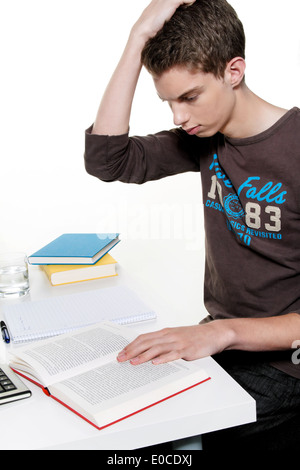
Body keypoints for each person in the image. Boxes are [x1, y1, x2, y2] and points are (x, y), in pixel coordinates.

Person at [84, 0, 300, 450]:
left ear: (234, 71)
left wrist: (223, 332)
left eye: (189, 97)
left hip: (285, 368)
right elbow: (107, 159)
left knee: (153, 442)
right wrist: (137, 36)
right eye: (168, 102)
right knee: (114, 422)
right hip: (224, 342)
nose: (178, 118)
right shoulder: (203, 138)